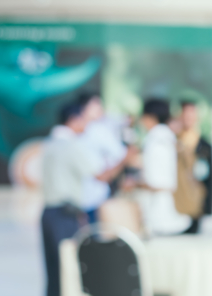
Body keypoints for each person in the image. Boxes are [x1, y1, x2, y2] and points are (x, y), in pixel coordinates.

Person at [40, 103, 134, 296]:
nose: (86, 125)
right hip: (65, 216)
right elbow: (101, 176)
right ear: (73, 120)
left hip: (48, 214)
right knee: (68, 269)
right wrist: (124, 159)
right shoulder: (71, 145)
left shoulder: (49, 143)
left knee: (53, 271)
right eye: (83, 120)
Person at [135, 99, 192, 236]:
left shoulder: (156, 141)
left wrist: (136, 184)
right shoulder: (167, 138)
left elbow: (157, 181)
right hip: (166, 205)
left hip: (160, 212)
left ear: (150, 117)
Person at [78, 93, 127, 223]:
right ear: (84, 108)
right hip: (96, 195)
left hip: (80, 198)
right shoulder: (97, 129)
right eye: (96, 105)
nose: (101, 109)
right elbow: (120, 153)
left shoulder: (77, 130)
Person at [176, 101, 212, 234]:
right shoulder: (173, 143)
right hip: (176, 205)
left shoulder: (205, 147)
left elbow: (209, 180)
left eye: (191, 116)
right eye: (185, 115)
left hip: (197, 205)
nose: (188, 120)